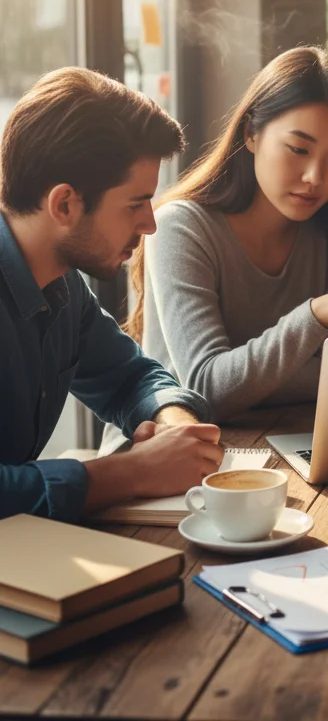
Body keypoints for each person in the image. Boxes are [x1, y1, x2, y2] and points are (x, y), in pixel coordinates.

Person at [120, 47, 328, 424]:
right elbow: (207, 389)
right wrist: (315, 315)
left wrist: (254, 375)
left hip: (284, 444)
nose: (316, 176)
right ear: (251, 132)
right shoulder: (180, 227)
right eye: (299, 149)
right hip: (168, 457)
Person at [0, 68, 222, 523]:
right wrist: (132, 472)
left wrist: (173, 423)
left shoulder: (63, 286)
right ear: (64, 204)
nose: (150, 225)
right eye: (134, 205)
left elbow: (130, 378)